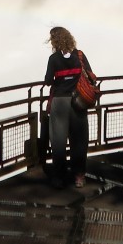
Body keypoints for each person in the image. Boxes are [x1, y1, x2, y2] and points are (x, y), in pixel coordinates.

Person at [43, 26, 94, 189]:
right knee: (79, 140)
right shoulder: (79, 55)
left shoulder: (54, 59)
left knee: (58, 141)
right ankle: (79, 176)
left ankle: (59, 177)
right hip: (78, 102)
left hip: (59, 102)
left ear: (54, 41)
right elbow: (91, 75)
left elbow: (48, 80)